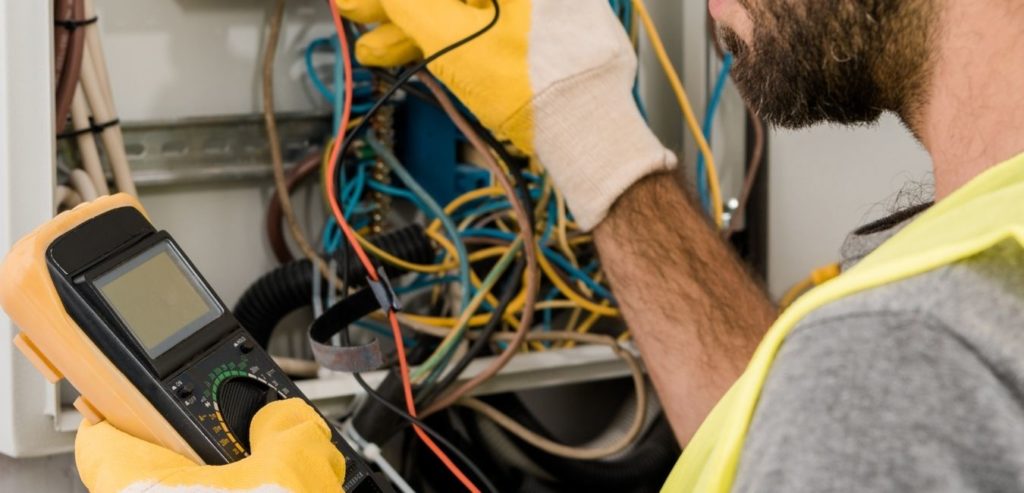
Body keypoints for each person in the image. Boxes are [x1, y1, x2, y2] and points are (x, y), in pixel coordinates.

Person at [77, 0, 1024, 491]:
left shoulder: (909, 353)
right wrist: (585, 126)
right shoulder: (963, 283)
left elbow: (861, 402)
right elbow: (789, 442)